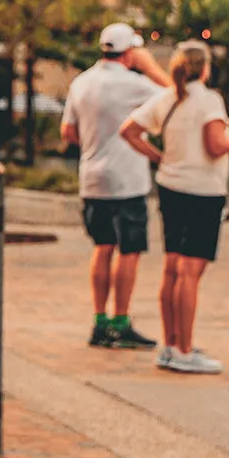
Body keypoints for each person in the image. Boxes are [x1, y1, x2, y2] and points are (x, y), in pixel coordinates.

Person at [120, 41, 229, 375]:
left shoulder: (167, 98)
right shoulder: (208, 100)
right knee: (191, 271)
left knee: (172, 268)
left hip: (171, 187)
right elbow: (216, 146)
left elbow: (129, 131)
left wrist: (159, 158)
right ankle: (184, 348)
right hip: (202, 192)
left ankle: (170, 345)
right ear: (205, 69)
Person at [61, 22, 171, 349]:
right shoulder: (135, 84)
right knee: (129, 250)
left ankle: (99, 320)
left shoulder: (81, 82)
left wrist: (95, 143)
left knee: (102, 246)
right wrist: (150, 66)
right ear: (130, 52)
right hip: (128, 179)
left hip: (92, 178)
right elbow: (175, 95)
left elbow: (67, 131)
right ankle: (121, 321)